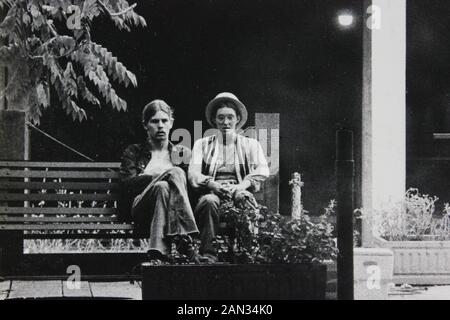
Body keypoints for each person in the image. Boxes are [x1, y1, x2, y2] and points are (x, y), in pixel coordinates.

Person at [188, 92, 270, 262]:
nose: (225, 122)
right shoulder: (202, 144)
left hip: (238, 189)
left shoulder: (250, 144)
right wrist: (212, 184)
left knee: (245, 199)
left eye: (230, 117)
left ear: (238, 119)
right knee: (208, 202)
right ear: (214, 120)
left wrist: (242, 185)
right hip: (212, 191)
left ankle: (247, 254)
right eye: (221, 118)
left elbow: (263, 169)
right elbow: (193, 173)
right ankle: (208, 255)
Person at [119, 99, 203, 263]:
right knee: (175, 172)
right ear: (145, 125)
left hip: (169, 213)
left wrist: (162, 179)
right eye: (154, 121)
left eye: (164, 121)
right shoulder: (134, 152)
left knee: (162, 186)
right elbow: (125, 186)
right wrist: (155, 176)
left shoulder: (181, 153)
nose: (160, 126)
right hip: (141, 209)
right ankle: (187, 237)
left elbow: (191, 190)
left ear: (171, 123)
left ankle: (157, 252)